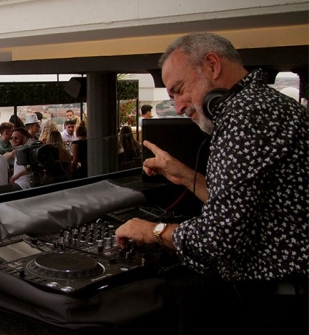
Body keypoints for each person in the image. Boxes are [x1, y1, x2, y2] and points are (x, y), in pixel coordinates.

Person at [115, 33, 308, 334]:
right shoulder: (265, 104)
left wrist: (151, 230)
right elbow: (246, 206)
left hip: (281, 304)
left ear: (212, 65)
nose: (178, 106)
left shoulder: (246, 116)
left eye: (179, 90)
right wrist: (183, 175)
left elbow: (215, 238)